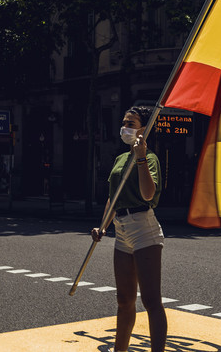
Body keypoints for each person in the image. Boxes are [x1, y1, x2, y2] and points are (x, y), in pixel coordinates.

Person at [91, 105, 166, 352]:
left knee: (151, 300)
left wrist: (142, 157)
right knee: (124, 300)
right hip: (121, 231)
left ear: (144, 129)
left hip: (144, 229)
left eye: (131, 124)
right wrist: (102, 227)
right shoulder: (120, 158)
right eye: (124, 122)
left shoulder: (150, 158)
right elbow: (114, 197)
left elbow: (148, 194)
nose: (125, 127)